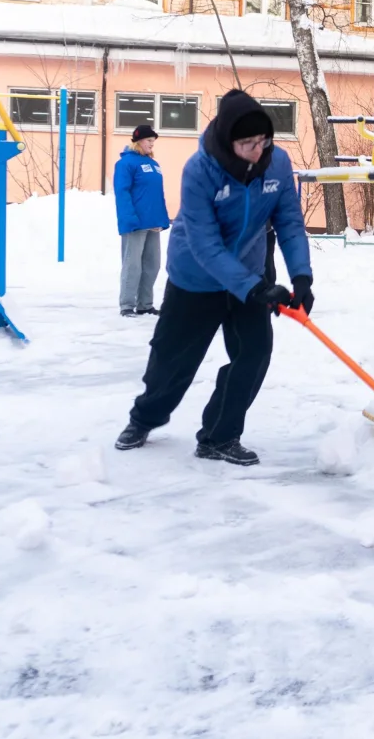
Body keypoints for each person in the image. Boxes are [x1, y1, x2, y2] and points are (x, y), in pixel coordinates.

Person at [114, 90, 313, 466]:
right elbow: (205, 245)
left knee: (253, 353)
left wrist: (301, 276)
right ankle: (145, 418)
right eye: (248, 144)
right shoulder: (200, 170)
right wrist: (253, 287)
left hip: (249, 275)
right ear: (228, 142)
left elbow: (288, 221)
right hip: (196, 277)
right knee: (173, 362)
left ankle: (219, 437)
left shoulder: (278, 164)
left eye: (263, 141)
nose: (258, 150)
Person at [114, 123, 169, 317]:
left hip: (153, 222)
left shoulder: (154, 165)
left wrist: (162, 220)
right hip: (135, 223)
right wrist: (129, 219)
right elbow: (122, 192)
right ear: (138, 141)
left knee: (152, 265)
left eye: (153, 141)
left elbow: (157, 194)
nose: (152, 144)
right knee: (133, 264)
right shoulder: (125, 164)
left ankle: (145, 304)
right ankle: (127, 305)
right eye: (149, 140)